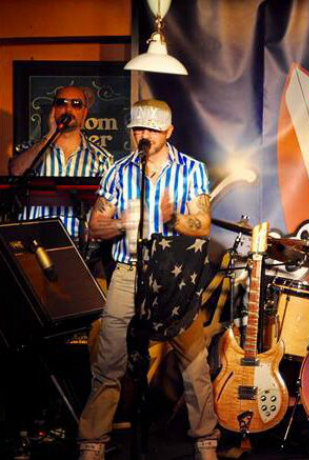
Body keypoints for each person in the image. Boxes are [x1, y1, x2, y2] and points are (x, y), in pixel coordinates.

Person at [77, 100, 219, 460]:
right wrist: (121, 223)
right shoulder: (118, 170)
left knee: (194, 362)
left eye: (153, 129)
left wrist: (174, 220)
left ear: (168, 132)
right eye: (139, 128)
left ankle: (206, 442)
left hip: (174, 276)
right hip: (128, 272)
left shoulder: (191, 169)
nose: (145, 135)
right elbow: (95, 226)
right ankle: (92, 443)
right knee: (108, 361)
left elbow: (202, 225)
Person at [9, 85, 113, 239]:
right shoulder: (32, 149)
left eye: (76, 104)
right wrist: (50, 135)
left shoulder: (102, 158)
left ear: (84, 113)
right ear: (53, 110)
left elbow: (106, 208)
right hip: (34, 240)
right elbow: (16, 171)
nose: (68, 109)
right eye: (61, 103)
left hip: (79, 243)